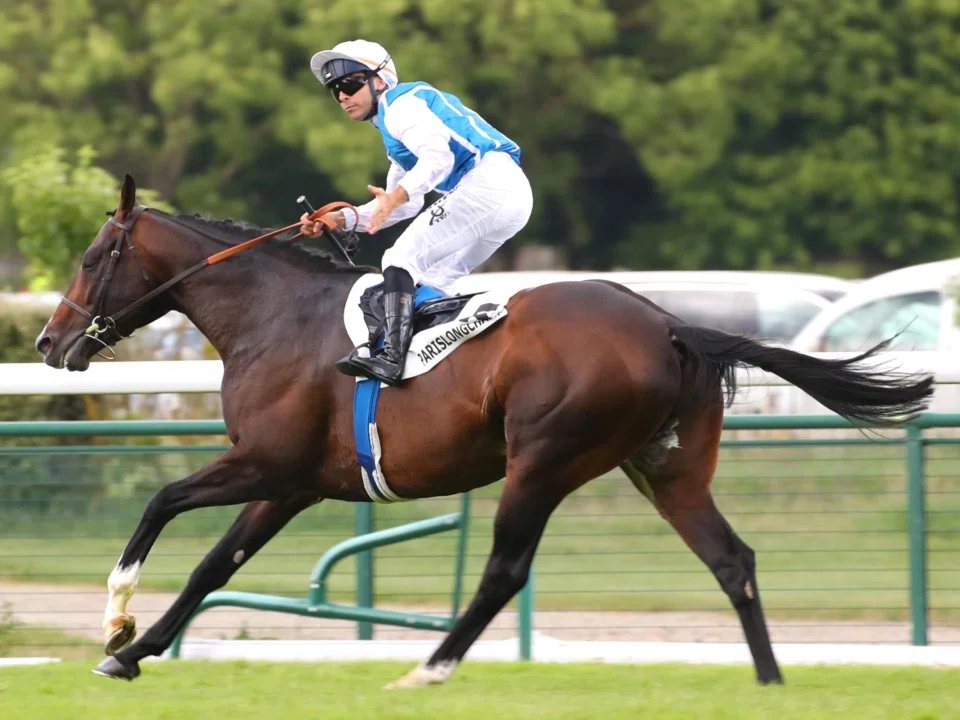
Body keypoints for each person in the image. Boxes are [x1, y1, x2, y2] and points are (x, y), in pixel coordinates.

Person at [300, 39, 533, 386]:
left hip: (489, 183)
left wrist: (395, 196)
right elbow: (405, 203)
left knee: (398, 259)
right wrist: (339, 219)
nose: (342, 96)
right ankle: (438, 360)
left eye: (349, 84)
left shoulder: (401, 105)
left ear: (379, 81)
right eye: (335, 90)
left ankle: (391, 358)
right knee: (435, 279)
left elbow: (439, 159)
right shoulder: (395, 136)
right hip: (511, 196)